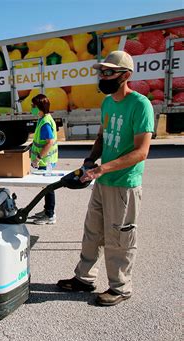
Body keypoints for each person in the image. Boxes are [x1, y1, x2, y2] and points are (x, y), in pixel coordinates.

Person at [57, 51, 154, 307]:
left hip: (124, 184)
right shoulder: (108, 103)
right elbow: (102, 137)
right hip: (103, 181)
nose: (103, 77)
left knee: (119, 239)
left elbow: (141, 151)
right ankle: (84, 278)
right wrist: (91, 160)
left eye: (109, 72)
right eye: (101, 72)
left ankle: (120, 287)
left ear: (126, 76)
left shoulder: (140, 105)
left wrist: (103, 169)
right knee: (92, 233)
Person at [30, 94, 58, 225]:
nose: (31, 108)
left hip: (45, 161)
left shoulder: (45, 123)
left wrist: (38, 158)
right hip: (45, 160)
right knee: (46, 188)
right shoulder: (43, 119)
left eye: (33, 106)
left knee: (48, 188)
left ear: (39, 107)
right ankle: (47, 210)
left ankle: (50, 215)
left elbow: (49, 142)